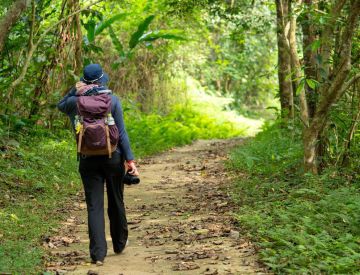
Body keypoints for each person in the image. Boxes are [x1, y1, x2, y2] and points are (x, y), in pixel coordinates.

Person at [58, 63, 139, 266]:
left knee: (94, 206)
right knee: (116, 200)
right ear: (102, 79)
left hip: (87, 159)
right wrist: (130, 160)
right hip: (113, 158)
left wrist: (74, 89)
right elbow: (121, 133)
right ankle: (119, 243)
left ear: (84, 81)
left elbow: (60, 104)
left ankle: (98, 254)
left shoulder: (74, 102)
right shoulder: (112, 100)